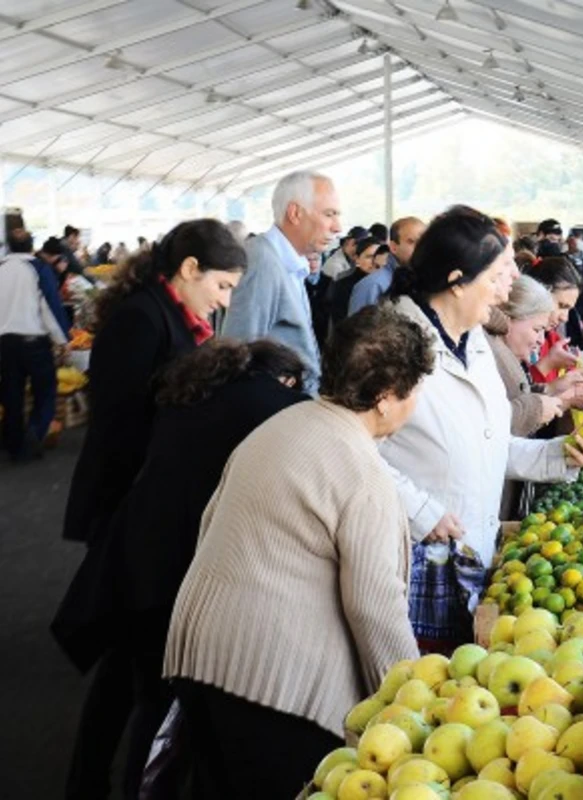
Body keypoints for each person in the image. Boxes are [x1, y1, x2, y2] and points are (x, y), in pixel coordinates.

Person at [163, 308, 430, 798]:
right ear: (387, 398)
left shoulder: (282, 424)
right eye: (415, 389)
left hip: (199, 653)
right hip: (272, 682)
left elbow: (212, 522)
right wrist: (412, 704)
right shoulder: (362, 471)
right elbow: (374, 606)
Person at [52, 339, 307, 798]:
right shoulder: (272, 402)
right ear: (283, 378)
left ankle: (85, 783)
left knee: (120, 684)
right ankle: (140, 789)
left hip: (130, 555)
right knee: (159, 700)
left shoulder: (197, 392)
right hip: (172, 570)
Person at [60, 219, 245, 800]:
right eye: (222, 286)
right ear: (189, 269)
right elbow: (122, 427)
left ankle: (90, 780)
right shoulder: (141, 320)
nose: (225, 300)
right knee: (135, 665)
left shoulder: (173, 317)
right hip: (131, 510)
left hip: (147, 511)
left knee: (126, 665)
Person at [380, 206, 583, 651]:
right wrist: (421, 512)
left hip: (467, 558)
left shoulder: (474, 342)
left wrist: (559, 454)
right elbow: (351, 451)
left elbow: (488, 444)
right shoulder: (392, 343)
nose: (506, 293)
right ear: (458, 279)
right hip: (412, 561)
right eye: (499, 275)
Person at [221, 170, 341, 395]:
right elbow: (237, 352)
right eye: (329, 214)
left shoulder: (287, 262)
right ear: (295, 213)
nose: (337, 227)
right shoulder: (261, 261)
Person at [0, 231, 70, 461]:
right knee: (45, 390)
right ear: (31, 247)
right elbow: (50, 307)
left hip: (5, 343)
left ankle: (13, 443)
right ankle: (34, 435)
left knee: (11, 393)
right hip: (33, 343)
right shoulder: (39, 269)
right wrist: (63, 340)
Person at [486, 275, 564, 438]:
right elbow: (489, 423)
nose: (541, 340)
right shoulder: (487, 356)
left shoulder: (501, 352)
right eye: (537, 330)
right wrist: (537, 410)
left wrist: (558, 392)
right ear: (509, 319)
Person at [526, 256, 583, 383]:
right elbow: (517, 396)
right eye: (561, 306)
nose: (565, 317)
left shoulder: (554, 341)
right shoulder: (514, 338)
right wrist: (547, 365)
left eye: (569, 309)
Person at [350, 216, 425, 314]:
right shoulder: (373, 286)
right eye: (411, 242)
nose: (420, 248)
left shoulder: (424, 280)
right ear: (393, 247)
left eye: (424, 242)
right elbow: (357, 328)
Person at [328, 237, 386, 330]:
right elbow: (340, 323)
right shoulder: (343, 285)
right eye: (369, 257)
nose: (375, 261)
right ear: (357, 259)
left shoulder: (387, 282)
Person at [304, 251, 332, 349]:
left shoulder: (330, 282)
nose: (313, 264)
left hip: (324, 332)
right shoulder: (298, 282)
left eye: (316, 259)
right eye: (308, 260)